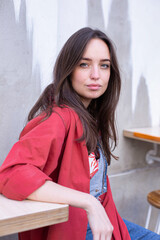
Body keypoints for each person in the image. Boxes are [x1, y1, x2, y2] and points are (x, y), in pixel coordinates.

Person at [0, 27, 159, 240]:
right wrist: (88, 202)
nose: (96, 75)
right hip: (73, 227)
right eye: (84, 64)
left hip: (105, 219)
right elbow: (12, 174)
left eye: (104, 65)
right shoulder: (59, 118)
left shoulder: (90, 115)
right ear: (69, 69)